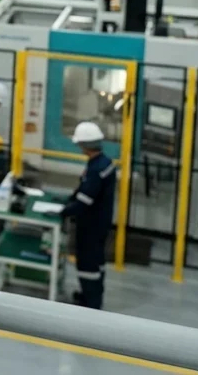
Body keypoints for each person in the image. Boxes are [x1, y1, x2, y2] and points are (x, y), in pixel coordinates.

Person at [61, 122, 117, 310]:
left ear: (85, 145)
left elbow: (85, 200)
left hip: (91, 225)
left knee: (87, 264)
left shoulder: (95, 169)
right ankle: (92, 296)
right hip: (101, 223)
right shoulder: (105, 162)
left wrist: (63, 211)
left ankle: (90, 304)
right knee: (97, 262)